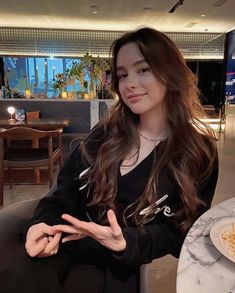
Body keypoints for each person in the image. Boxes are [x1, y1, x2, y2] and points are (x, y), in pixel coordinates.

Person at [0, 27, 218, 293]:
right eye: (122, 75)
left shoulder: (198, 153)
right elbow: (62, 193)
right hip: (62, 245)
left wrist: (127, 241)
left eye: (143, 69)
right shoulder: (104, 134)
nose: (129, 83)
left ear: (170, 73)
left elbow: (181, 233)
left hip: (116, 263)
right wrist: (42, 224)